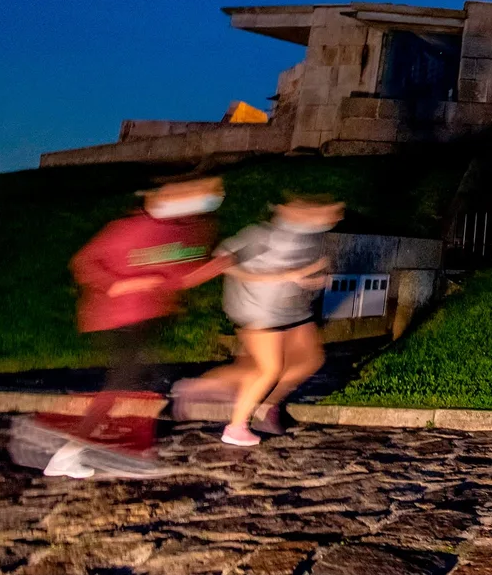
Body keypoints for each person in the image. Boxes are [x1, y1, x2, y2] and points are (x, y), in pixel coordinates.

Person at [44, 174, 232, 478]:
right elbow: (84, 262)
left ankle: (114, 444)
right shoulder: (128, 228)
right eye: (196, 193)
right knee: (122, 382)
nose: (206, 199)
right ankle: (69, 451)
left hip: (148, 318)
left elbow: (179, 277)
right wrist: (118, 284)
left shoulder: (187, 232)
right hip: (115, 319)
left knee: (139, 382)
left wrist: (215, 267)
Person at [207, 193, 343, 446]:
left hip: (294, 311)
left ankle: (267, 405)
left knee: (311, 359)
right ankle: (235, 426)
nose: (331, 218)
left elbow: (302, 271)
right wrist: (279, 277)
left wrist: (310, 280)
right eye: (323, 212)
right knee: (268, 369)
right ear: (290, 210)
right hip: (260, 310)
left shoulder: (311, 238)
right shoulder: (262, 234)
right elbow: (222, 262)